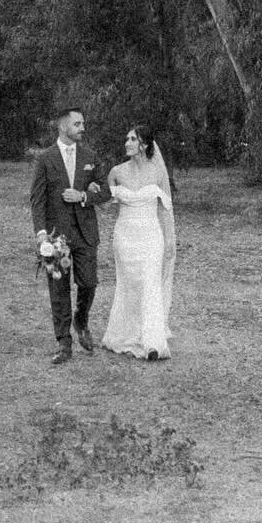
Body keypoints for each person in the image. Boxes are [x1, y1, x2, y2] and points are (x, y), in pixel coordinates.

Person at [29, 105, 112, 365]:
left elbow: (107, 191)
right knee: (59, 290)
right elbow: (37, 200)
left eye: (83, 123)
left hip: (85, 232)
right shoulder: (45, 159)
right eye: (77, 124)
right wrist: (42, 235)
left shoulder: (90, 155)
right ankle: (64, 343)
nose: (82, 128)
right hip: (57, 237)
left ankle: (81, 320)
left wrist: (84, 196)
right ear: (63, 126)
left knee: (89, 283)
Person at [102, 123, 175, 361]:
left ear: (144, 145)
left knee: (150, 283)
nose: (127, 143)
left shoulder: (158, 173)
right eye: (127, 139)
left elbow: (165, 210)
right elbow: (104, 204)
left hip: (152, 236)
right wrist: (92, 191)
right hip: (125, 237)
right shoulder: (116, 172)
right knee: (130, 285)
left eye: (132, 139)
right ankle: (126, 333)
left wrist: (169, 240)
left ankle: (152, 342)